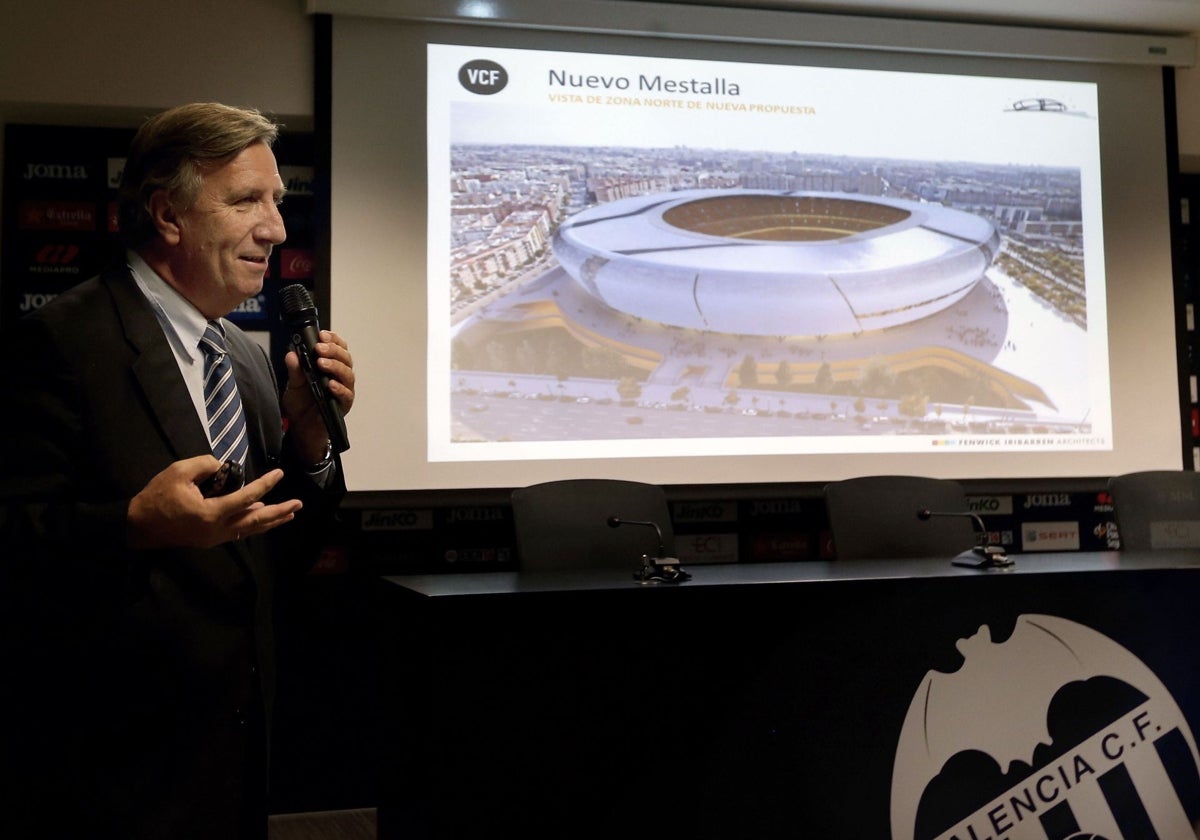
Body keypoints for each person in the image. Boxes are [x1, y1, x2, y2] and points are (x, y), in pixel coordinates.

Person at [0, 102, 355, 839]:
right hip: (109, 771)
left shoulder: (247, 357)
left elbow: (270, 549)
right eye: (245, 202)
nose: (277, 229)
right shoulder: (60, 341)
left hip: (234, 751)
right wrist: (134, 526)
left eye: (278, 204)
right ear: (168, 216)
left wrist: (312, 443)